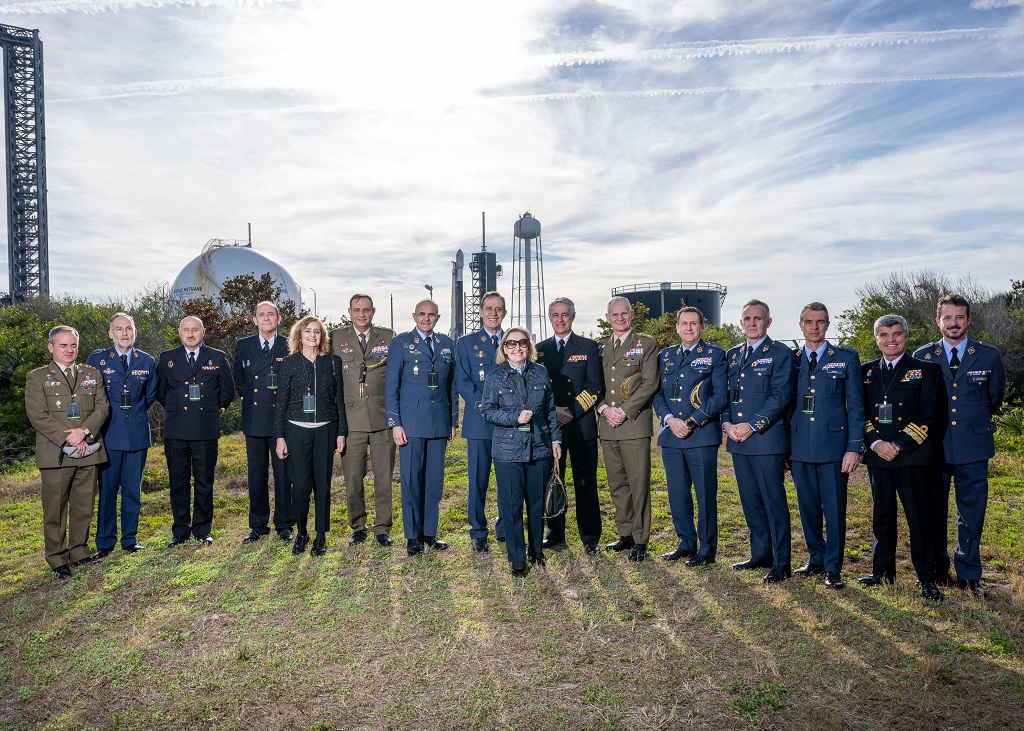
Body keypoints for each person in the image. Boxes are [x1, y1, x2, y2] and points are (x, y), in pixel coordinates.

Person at [913, 294, 1006, 597]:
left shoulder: (988, 355)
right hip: (933, 448)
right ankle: (938, 568)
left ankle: (968, 573)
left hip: (973, 447)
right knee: (933, 512)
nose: (953, 323)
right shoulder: (923, 356)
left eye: (959, 317)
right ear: (937, 320)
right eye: (947, 318)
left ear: (969, 320)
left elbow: (995, 399)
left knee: (972, 512)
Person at [860, 314, 944, 601]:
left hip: (912, 456)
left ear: (906, 337)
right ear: (877, 339)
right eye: (884, 334)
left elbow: (930, 413)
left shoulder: (926, 369)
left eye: (896, 333)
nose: (890, 339)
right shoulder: (865, 372)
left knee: (919, 519)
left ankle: (927, 578)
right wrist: (875, 443)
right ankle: (882, 573)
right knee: (882, 517)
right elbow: (859, 414)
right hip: (878, 458)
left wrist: (897, 444)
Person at [788, 303, 865, 590]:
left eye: (820, 321)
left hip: (834, 447)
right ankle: (815, 557)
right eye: (808, 322)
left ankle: (833, 566)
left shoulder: (845, 358)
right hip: (799, 446)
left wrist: (854, 447)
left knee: (833, 509)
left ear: (828, 324)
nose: (814, 327)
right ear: (801, 325)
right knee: (807, 507)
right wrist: (785, 449)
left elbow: (857, 406)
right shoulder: (792, 359)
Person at [25, 326, 109, 578]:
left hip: (88, 449)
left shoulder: (91, 373)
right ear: (51, 347)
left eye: (73, 345)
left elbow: (102, 406)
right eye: (63, 345)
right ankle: (57, 557)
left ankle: (79, 551)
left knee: (84, 505)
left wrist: (83, 431)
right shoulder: (38, 377)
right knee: (55, 509)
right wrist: (70, 438)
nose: (69, 350)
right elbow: (37, 416)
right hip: (57, 453)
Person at [722, 299, 796, 583]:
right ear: (741, 322)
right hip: (738, 440)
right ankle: (760, 553)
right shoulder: (733, 354)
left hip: (766, 439)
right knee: (750, 501)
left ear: (768, 322)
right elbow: (725, 394)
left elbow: (781, 396)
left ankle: (781, 561)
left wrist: (752, 426)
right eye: (747, 318)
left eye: (758, 318)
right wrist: (727, 423)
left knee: (773, 502)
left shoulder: (780, 353)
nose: (752, 323)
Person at [481, 327, 562, 577]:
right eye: (511, 344)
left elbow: (550, 410)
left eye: (522, 343)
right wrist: (514, 417)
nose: (517, 348)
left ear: (529, 347)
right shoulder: (495, 377)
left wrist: (555, 440)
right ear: (504, 349)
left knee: (536, 504)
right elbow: (487, 410)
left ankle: (536, 551)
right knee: (512, 505)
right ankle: (517, 557)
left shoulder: (540, 372)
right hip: (507, 450)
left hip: (538, 447)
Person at [652, 307, 727, 567]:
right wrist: (670, 420)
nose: (688, 328)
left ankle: (706, 549)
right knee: (677, 493)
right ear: (677, 327)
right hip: (671, 434)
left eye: (694, 323)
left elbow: (720, 396)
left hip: (702, 435)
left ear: (702, 327)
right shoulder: (665, 356)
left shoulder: (714, 354)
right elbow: (657, 394)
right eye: (684, 323)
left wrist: (693, 420)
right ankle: (685, 543)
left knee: (705, 494)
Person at [385, 299, 458, 556]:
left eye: (431, 315)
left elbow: (452, 386)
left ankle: (429, 532)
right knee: (411, 482)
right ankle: (412, 536)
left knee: (434, 483)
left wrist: (452, 420)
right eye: (422, 314)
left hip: (438, 423)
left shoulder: (447, 344)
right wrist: (395, 424)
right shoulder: (401, 343)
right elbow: (391, 386)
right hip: (412, 424)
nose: (427, 318)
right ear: (414, 316)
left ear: (438, 318)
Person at [157, 316, 234, 547]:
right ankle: (180, 531)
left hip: (205, 430)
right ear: (179, 332)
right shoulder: (167, 358)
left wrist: (211, 410)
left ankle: (202, 529)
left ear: (203, 332)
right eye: (186, 330)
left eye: (195, 330)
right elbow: (161, 392)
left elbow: (227, 391)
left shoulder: (217, 357)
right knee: (178, 483)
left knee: (204, 482)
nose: (190, 334)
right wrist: (178, 410)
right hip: (176, 430)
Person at [85, 313, 158, 558]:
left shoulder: (146, 361)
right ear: (110, 334)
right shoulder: (97, 360)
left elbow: (149, 396)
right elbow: (90, 397)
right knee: (107, 491)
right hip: (108, 435)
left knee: (132, 491)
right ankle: (105, 543)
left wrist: (133, 415)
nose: (124, 333)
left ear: (135, 332)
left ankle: (130, 539)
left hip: (136, 434)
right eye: (119, 329)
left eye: (128, 328)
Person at [274, 316, 348, 557]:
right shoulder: (289, 363)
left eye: (317, 332)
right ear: (299, 336)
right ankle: (302, 532)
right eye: (308, 332)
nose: (313, 336)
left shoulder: (332, 362)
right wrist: (280, 437)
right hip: (296, 429)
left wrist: (341, 431)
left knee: (323, 485)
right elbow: (281, 402)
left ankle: (320, 536)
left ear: (322, 337)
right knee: (301, 485)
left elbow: (339, 400)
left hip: (326, 429)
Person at [536, 297, 604, 554]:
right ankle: (555, 533)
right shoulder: (539, 350)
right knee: (553, 481)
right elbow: (537, 388)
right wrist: (553, 412)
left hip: (582, 426)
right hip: (552, 428)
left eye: (565, 314)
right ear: (550, 317)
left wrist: (571, 411)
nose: (560, 319)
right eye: (555, 315)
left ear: (573, 316)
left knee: (585, 483)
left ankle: (590, 537)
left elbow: (595, 386)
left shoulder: (587, 346)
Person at [330, 294, 396, 547]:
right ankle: (357, 526)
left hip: (381, 418)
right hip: (350, 420)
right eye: (357, 310)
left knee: (383, 478)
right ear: (349, 311)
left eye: (366, 310)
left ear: (373, 311)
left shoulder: (388, 337)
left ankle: (382, 527)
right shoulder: (336, 338)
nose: (361, 315)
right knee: (353, 479)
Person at [596, 296, 659, 562]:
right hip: (607, 426)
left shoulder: (646, 344)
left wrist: (622, 411)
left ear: (631, 315)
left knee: (638, 484)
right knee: (617, 484)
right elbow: (594, 384)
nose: (620, 319)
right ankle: (625, 534)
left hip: (633, 424)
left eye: (624, 314)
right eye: (615, 315)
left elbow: (649, 383)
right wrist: (603, 409)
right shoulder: (600, 347)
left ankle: (641, 538)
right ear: (608, 317)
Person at [234, 301, 294, 544]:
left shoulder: (289, 344)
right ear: (254, 319)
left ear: (279, 319)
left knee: (283, 475)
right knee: (256, 475)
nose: (266, 318)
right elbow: (238, 380)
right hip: (255, 420)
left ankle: (284, 523)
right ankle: (258, 525)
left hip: (282, 421)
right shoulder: (244, 345)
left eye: (271, 314)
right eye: (262, 314)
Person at [454, 291, 507, 552]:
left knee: (507, 479)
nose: (493, 313)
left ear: (504, 313)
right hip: (480, 421)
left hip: (509, 423)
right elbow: (463, 381)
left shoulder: (514, 340)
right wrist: (485, 407)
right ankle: (478, 530)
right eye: (489, 308)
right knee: (478, 480)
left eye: (498, 309)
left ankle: (505, 526)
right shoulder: (466, 343)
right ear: (481, 312)